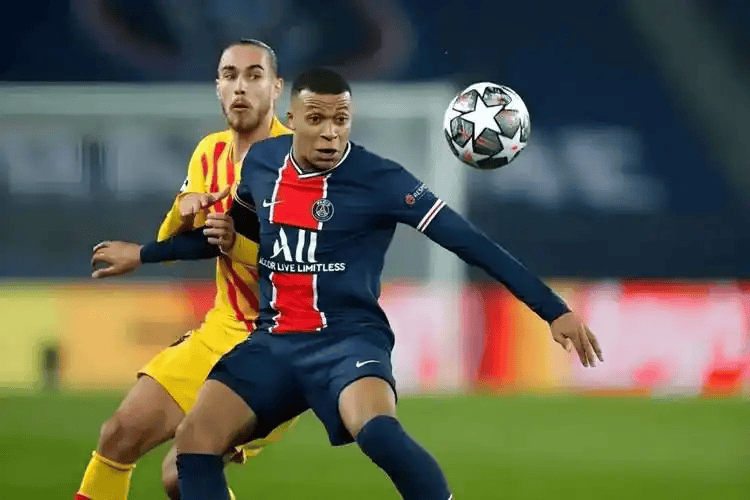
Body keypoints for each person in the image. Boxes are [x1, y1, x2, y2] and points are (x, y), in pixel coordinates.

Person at [146, 67, 603, 500]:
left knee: (378, 432)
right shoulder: (262, 163)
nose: (330, 132)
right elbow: (233, 233)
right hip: (274, 341)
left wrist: (553, 310)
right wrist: (151, 251)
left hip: (347, 340)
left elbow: (472, 243)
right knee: (194, 441)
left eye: (341, 120)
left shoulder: (381, 179)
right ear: (291, 120)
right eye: (317, 119)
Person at [77, 39, 295, 500]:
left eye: (254, 75)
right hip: (223, 328)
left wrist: (145, 254)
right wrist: (185, 206)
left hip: (284, 346)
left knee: (183, 470)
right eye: (230, 75)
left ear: (277, 87)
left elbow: (301, 260)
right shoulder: (209, 152)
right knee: (119, 434)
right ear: (218, 87)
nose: (241, 87)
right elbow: (178, 236)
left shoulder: (297, 162)